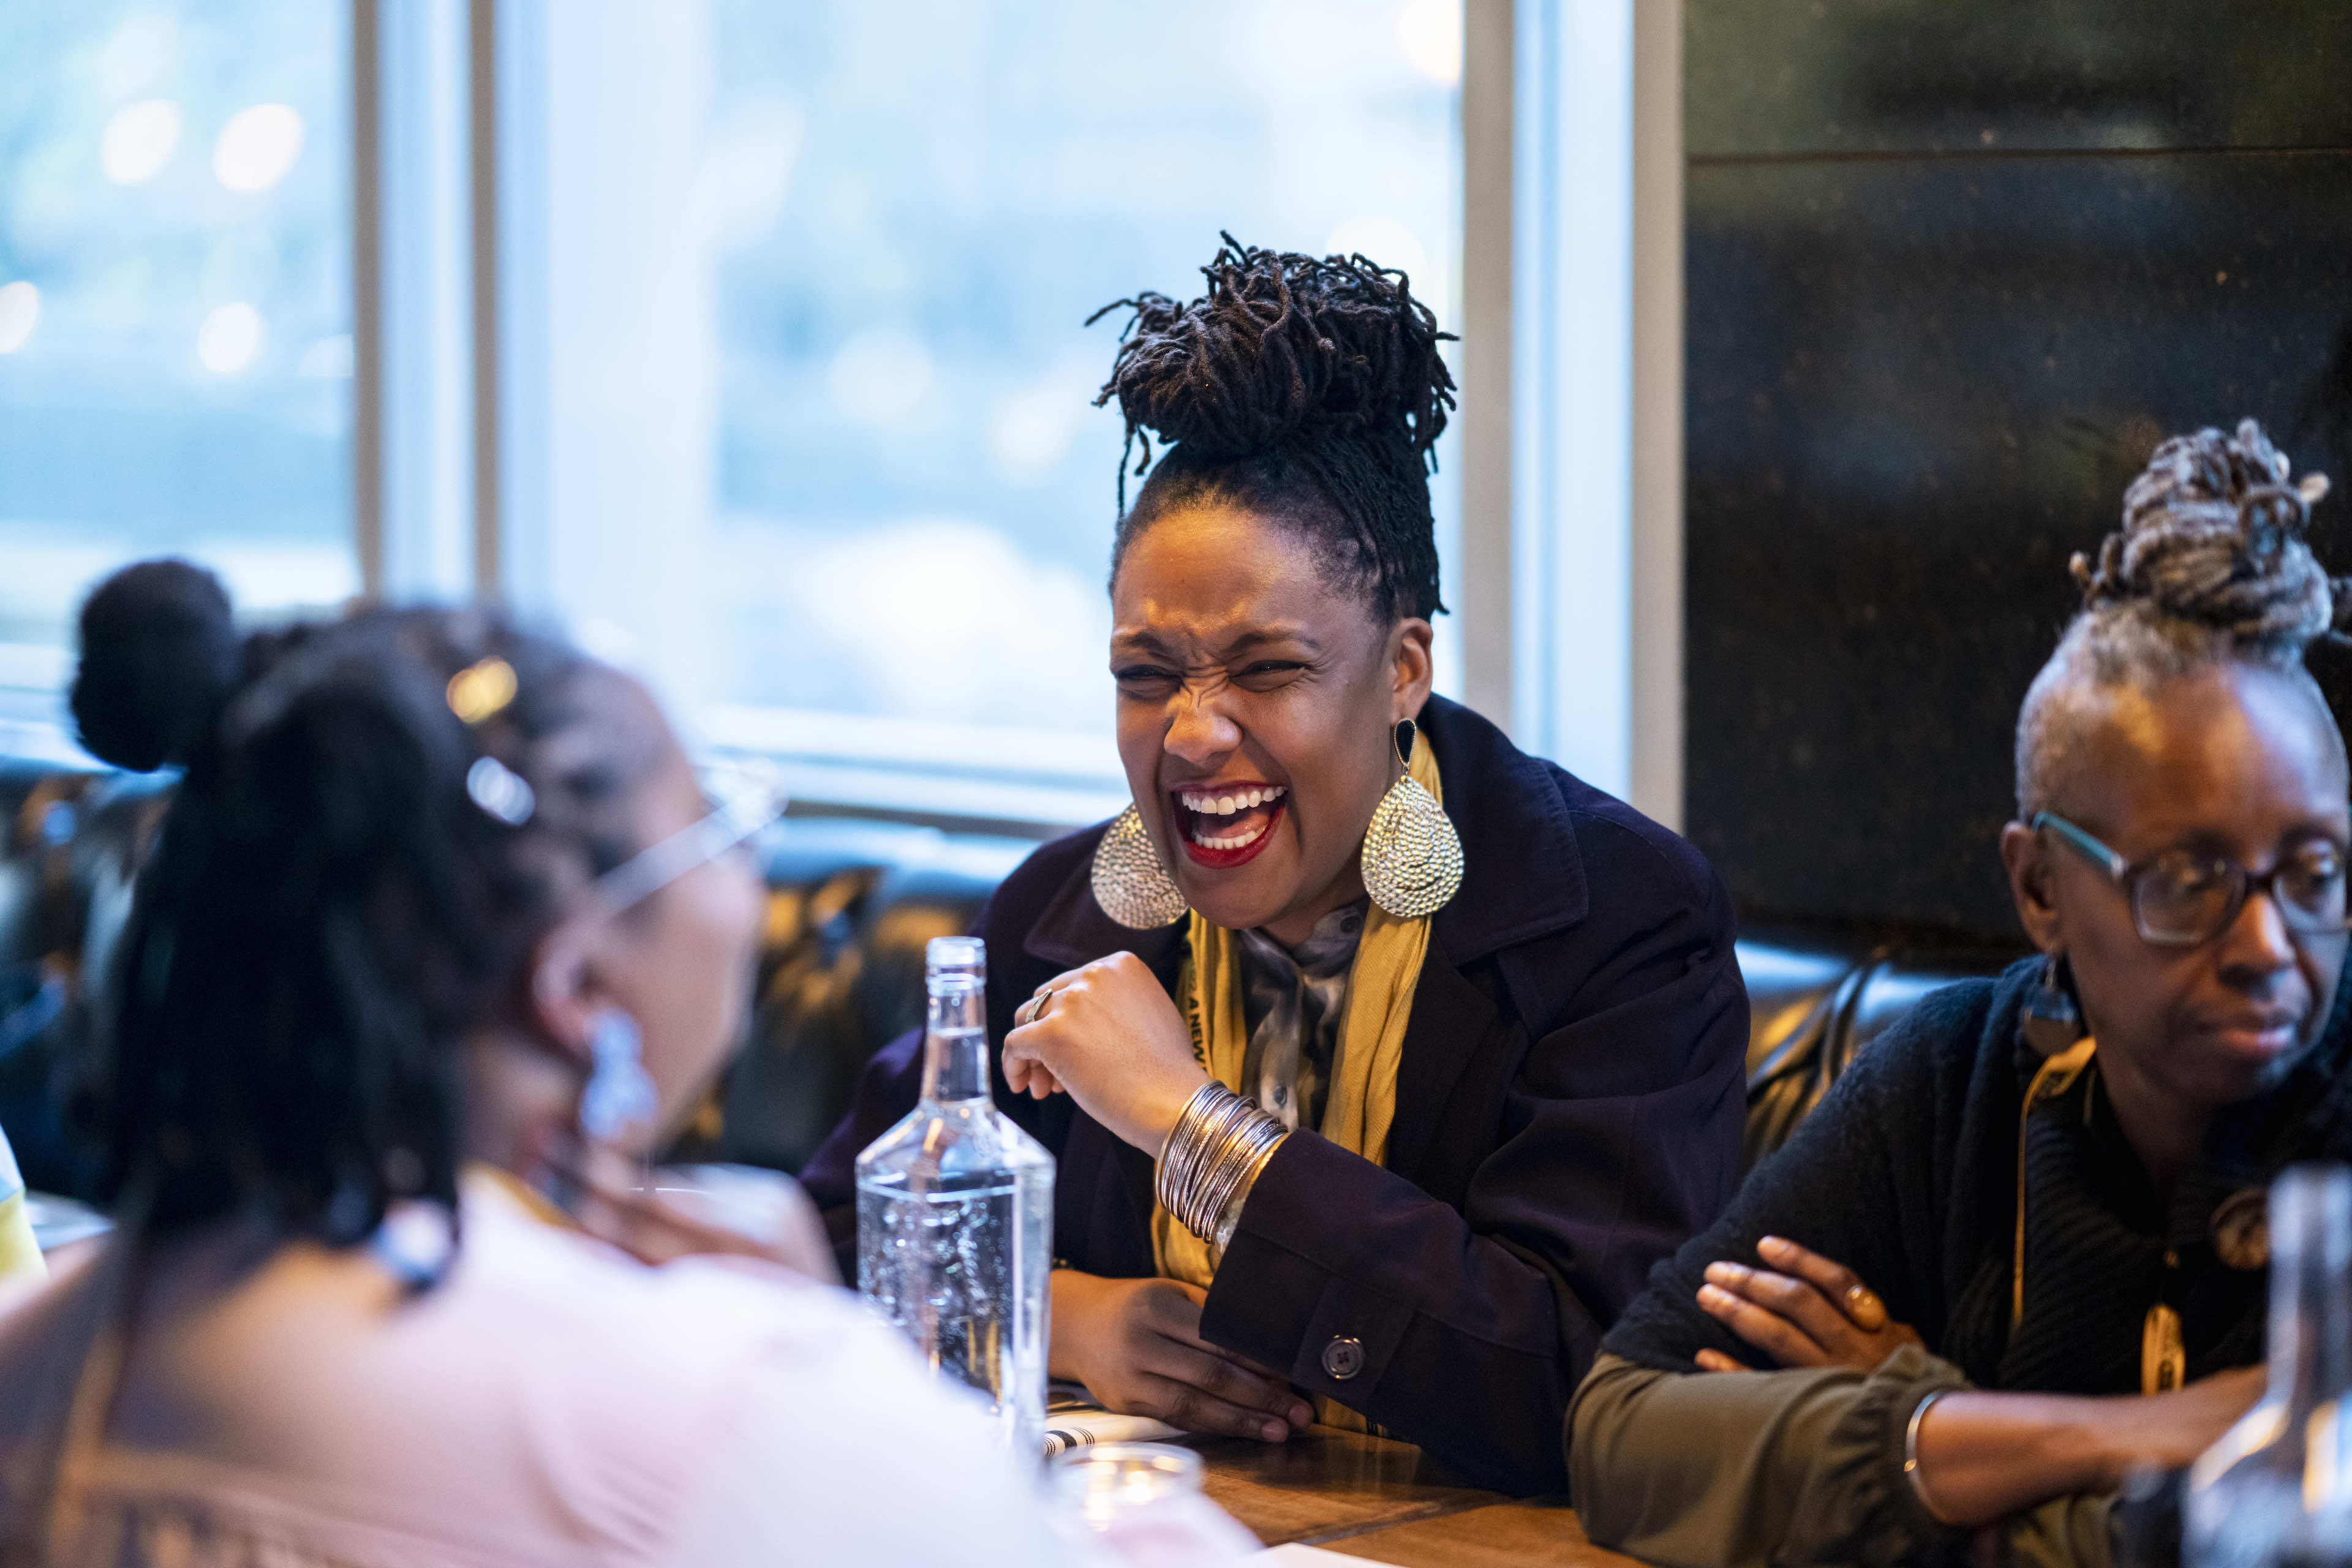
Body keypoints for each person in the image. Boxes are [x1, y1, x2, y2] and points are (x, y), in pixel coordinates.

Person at [802, 238, 1751, 1494]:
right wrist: (1067, 1311)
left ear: (1404, 665)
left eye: (1266, 669)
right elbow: (820, 1237)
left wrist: (1189, 1122)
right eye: (1147, 676)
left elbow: (1587, 1382)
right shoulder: (1060, 912)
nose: (1192, 732)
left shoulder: (1616, 923)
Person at [0, 562, 1121, 1566]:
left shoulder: (42, 1359)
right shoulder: (736, 1415)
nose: (745, 863)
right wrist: (831, 1368)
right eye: (715, 822)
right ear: (576, 988)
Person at [1569, 419, 2348, 1566]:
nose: (2270, 944)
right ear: (2039, 888)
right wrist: (2138, 1434)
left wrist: (1931, 1447)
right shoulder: (1956, 1075)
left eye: (2318, 873)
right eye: (2190, 881)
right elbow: (1622, 1433)